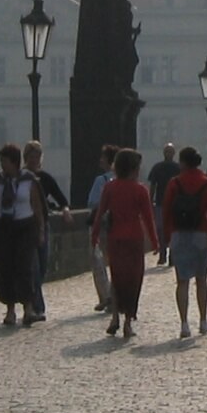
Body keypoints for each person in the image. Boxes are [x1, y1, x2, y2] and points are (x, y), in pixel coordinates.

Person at [91, 147, 158, 337]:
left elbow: (100, 212)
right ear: (134, 168)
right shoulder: (140, 190)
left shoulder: (110, 187)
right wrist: (155, 241)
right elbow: (147, 218)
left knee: (117, 277)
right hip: (134, 239)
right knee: (133, 279)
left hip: (115, 237)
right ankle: (128, 321)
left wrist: (94, 235)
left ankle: (114, 317)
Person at [160, 145, 207, 338]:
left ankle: (184, 323)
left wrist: (167, 235)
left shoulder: (174, 183)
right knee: (201, 280)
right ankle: (203, 321)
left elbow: (166, 210)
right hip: (200, 233)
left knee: (182, 281)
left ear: (183, 162)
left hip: (179, 233)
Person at [0, 142, 46, 327]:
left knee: (25, 266)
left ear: (14, 162)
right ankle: (10, 310)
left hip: (25, 226)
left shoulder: (29, 180)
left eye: (5, 161)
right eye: (1, 161)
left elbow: (38, 207)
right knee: (6, 268)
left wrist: (41, 230)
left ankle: (28, 308)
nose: (2, 165)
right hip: (4, 227)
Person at [23, 141, 72, 321]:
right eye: (31, 157)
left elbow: (61, 199)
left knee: (42, 266)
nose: (34, 160)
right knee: (33, 267)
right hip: (25, 227)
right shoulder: (21, 177)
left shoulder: (45, 178)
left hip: (43, 224)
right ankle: (36, 306)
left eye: (37, 157)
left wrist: (65, 210)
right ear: (26, 158)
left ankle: (33, 302)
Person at [84, 145, 118, 312]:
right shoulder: (124, 179)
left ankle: (106, 296)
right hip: (117, 223)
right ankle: (116, 294)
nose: (100, 160)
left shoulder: (101, 180)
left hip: (102, 222)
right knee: (115, 261)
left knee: (98, 261)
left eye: (103, 157)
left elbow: (92, 202)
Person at [147, 142, 181, 267]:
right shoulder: (178, 168)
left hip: (163, 202)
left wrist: (150, 200)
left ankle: (163, 255)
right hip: (173, 203)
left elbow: (153, 186)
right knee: (172, 230)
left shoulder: (157, 167)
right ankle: (171, 256)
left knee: (162, 229)